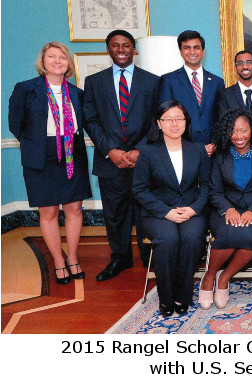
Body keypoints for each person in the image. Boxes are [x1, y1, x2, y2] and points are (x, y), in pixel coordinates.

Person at [9, 42, 92, 284]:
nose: (57, 61)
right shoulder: (26, 89)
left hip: (72, 154)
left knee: (74, 209)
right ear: (42, 62)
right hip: (40, 157)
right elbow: (16, 125)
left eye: (62, 57)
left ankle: (73, 257)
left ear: (69, 63)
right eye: (52, 56)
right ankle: (58, 260)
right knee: (48, 211)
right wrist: (38, 145)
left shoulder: (77, 93)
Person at [84, 29, 160, 281]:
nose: (121, 50)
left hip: (143, 159)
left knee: (145, 211)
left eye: (126, 45)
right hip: (110, 161)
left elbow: (155, 120)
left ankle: (150, 257)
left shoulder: (152, 80)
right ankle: (120, 259)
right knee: (114, 214)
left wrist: (140, 149)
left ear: (133, 48)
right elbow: (91, 120)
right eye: (115, 45)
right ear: (108, 49)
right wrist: (111, 150)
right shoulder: (94, 82)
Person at [132, 101, 210, 317]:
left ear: (186, 122)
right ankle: (166, 299)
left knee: (192, 238)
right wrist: (166, 212)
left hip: (191, 210)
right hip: (159, 212)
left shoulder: (198, 150)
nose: (174, 124)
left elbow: (206, 186)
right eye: (168, 119)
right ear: (159, 123)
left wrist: (194, 210)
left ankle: (182, 296)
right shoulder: (147, 152)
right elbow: (139, 190)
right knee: (167, 241)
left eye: (180, 118)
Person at [200, 108, 252, 309]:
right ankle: (208, 277)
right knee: (227, 233)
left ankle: (224, 277)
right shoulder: (220, 155)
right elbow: (214, 191)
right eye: (233, 131)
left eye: (243, 130)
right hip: (223, 209)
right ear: (227, 133)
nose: (238, 136)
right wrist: (228, 209)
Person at [158, 30, 225, 156]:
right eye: (187, 48)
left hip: (212, 151)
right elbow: (164, 118)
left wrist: (215, 144)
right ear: (180, 51)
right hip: (181, 151)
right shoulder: (168, 80)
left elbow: (222, 117)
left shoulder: (217, 82)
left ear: (203, 51)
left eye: (196, 48)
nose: (192, 52)